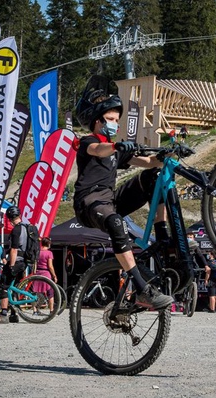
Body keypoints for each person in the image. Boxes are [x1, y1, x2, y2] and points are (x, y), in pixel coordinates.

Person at [72, 75, 174, 311]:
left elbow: (149, 162)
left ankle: (162, 234)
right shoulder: (88, 142)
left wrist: (169, 153)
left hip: (110, 200)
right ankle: (142, 290)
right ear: (98, 121)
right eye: (110, 119)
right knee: (117, 223)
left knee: (154, 177)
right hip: (89, 203)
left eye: (117, 120)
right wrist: (117, 145)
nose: (115, 124)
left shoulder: (116, 151)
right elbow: (99, 150)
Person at [0, 205, 27, 324]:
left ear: (9, 218)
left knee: (3, 286)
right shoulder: (26, 227)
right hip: (24, 262)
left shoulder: (16, 230)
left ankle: (4, 314)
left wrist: (10, 265)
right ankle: (14, 314)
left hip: (16, 261)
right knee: (13, 287)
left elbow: (14, 249)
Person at [31, 237, 58, 313]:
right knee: (50, 292)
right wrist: (54, 275)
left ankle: (35, 310)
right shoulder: (49, 253)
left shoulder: (38, 252)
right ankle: (51, 310)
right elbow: (50, 266)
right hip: (46, 273)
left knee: (36, 292)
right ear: (48, 244)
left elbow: (35, 263)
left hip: (38, 273)